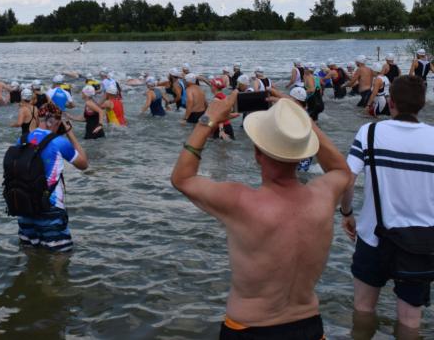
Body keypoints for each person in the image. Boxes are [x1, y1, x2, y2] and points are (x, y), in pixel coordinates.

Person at [171, 95, 351, 338]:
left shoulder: (240, 202)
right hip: (309, 327)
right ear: (302, 154)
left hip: (250, 328)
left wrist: (208, 120)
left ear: (257, 153)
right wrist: (301, 121)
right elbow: (341, 169)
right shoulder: (323, 197)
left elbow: (182, 178)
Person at [340, 75, 434, 337]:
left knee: (363, 308)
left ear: (391, 102)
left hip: (374, 237)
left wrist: (347, 213)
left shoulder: (369, 132)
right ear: (422, 104)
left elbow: (347, 180)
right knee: (410, 319)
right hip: (422, 242)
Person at [16, 104, 88, 252]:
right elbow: (83, 164)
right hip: (50, 207)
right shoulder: (58, 141)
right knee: (60, 256)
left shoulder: (22, 139)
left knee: (31, 253)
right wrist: (70, 133)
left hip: (24, 206)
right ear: (56, 122)